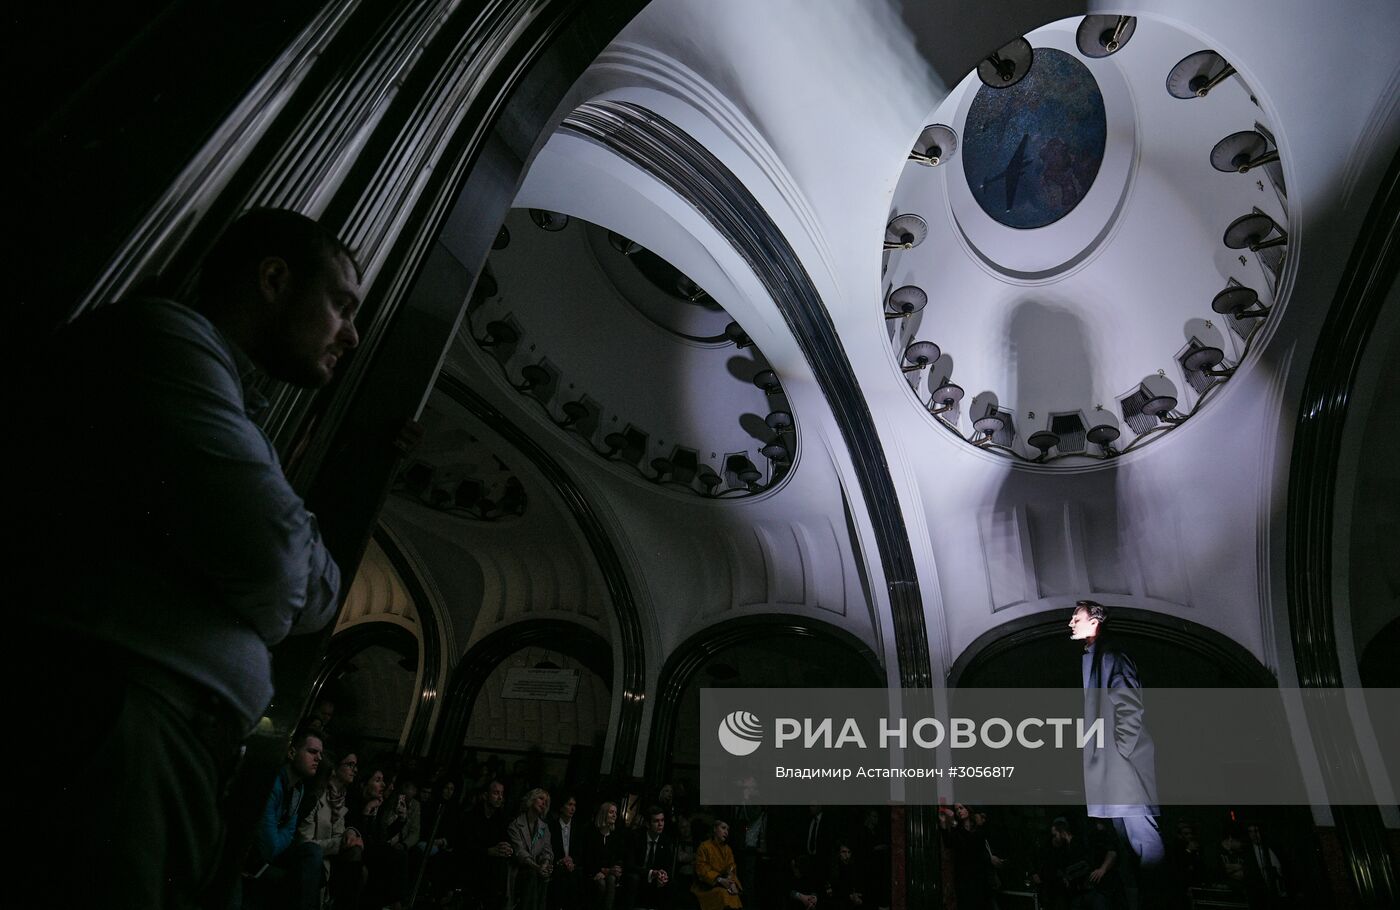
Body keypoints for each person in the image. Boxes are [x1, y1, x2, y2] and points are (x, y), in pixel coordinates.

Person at [14, 207, 360, 908]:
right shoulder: (161, 339)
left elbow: (319, 589)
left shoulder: (241, 413)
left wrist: (277, 560)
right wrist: (279, 565)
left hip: (175, 750)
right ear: (272, 279)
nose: (350, 334)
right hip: (117, 727)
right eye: (342, 304)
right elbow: (274, 559)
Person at [1070, 600, 1166, 909]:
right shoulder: (1098, 657)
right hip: (1115, 767)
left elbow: (1129, 707)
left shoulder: (1111, 655)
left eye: (1076, 617)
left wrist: (1121, 756)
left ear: (1094, 621)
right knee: (1130, 843)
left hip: (1123, 767)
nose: (1071, 623)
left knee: (1143, 841)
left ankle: (1157, 901)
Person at [243, 729, 328, 910]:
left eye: (320, 754)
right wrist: (281, 835)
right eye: (312, 752)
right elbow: (269, 846)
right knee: (302, 873)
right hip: (251, 858)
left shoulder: (298, 789)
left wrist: (280, 834)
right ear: (291, 752)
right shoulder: (272, 784)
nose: (319, 758)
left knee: (313, 853)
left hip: (274, 853)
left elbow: (289, 832)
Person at [299, 751, 364, 905]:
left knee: (359, 862)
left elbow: (338, 833)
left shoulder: (340, 798)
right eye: (350, 765)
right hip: (312, 858)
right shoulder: (317, 796)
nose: (354, 770)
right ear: (335, 768)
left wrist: (349, 833)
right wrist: (341, 844)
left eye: (356, 766)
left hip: (330, 859)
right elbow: (304, 843)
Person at [507, 789, 554, 910]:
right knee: (532, 875)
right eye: (541, 799)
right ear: (531, 799)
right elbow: (520, 853)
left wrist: (545, 863)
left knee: (545, 875)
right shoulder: (516, 825)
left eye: (546, 801)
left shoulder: (544, 827)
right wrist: (537, 867)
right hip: (519, 869)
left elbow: (547, 850)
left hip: (537, 869)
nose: (544, 803)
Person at [628, 806, 677, 910]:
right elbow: (629, 864)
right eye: (656, 821)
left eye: (662, 820)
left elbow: (667, 865)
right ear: (647, 823)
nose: (660, 824)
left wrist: (662, 876)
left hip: (655, 876)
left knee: (670, 883)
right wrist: (651, 873)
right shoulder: (635, 836)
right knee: (633, 878)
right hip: (639, 874)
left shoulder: (666, 841)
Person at [583, 801, 625, 910]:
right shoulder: (592, 834)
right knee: (601, 884)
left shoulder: (615, 837)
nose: (614, 815)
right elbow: (587, 859)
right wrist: (601, 870)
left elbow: (615, 859)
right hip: (593, 871)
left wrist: (612, 869)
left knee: (611, 879)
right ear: (604, 814)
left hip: (609, 872)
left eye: (615, 812)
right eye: (611, 812)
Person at [693, 820, 743, 910]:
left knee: (734, 896)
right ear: (715, 829)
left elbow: (731, 868)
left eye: (727, 829)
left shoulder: (727, 849)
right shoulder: (704, 846)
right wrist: (719, 879)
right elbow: (702, 869)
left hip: (724, 884)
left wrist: (732, 883)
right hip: (706, 886)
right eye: (723, 828)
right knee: (723, 895)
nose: (726, 832)